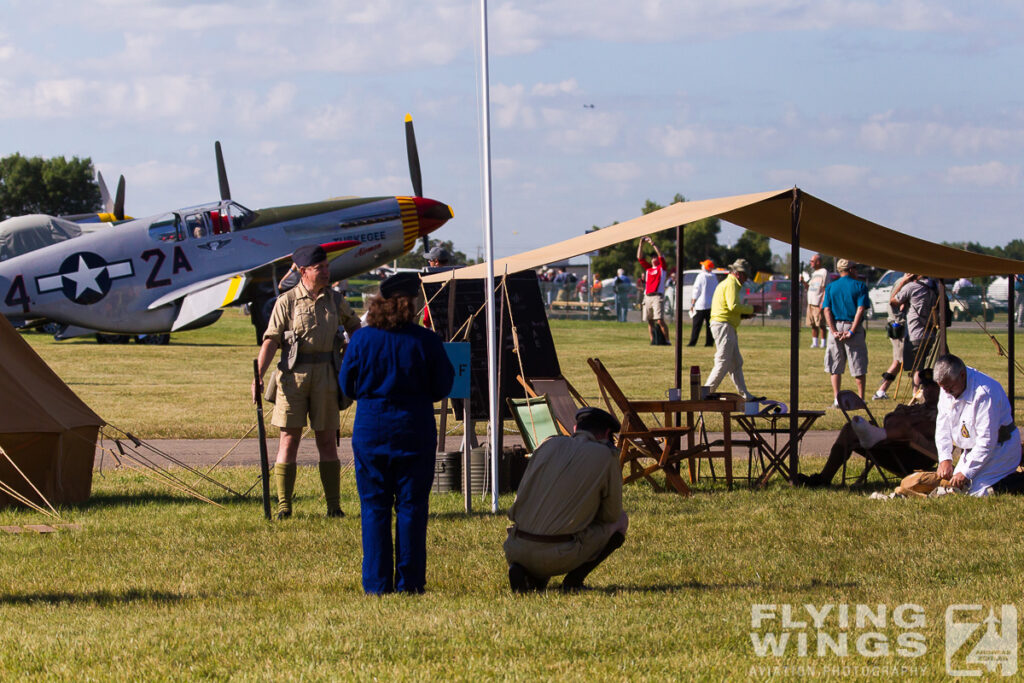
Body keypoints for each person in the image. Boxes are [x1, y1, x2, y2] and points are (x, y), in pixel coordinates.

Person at [339, 272, 455, 594]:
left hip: (371, 429)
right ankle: (410, 583)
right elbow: (443, 386)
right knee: (412, 507)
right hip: (414, 429)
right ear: (411, 304)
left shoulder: (362, 339)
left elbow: (346, 385)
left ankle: (376, 584)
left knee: (374, 507)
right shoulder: (426, 340)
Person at [253, 244, 362, 519]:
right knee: (289, 439)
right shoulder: (287, 301)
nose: (326, 272)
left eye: (326, 267)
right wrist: (258, 376)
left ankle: (334, 507)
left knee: (327, 440)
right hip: (293, 377)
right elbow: (271, 340)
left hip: (327, 375)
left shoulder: (336, 300)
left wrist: (349, 354)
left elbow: (356, 329)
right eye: (319, 268)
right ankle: (284, 506)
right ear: (303, 272)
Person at [503, 407, 628, 593]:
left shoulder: (547, 445)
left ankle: (528, 575)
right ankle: (573, 581)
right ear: (608, 434)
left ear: (575, 427)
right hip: (558, 554)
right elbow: (611, 515)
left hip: (515, 547)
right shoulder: (605, 456)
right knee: (621, 521)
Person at [799, 378, 941, 487]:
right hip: (895, 447)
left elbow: (928, 429)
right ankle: (824, 478)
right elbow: (889, 420)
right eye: (925, 386)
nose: (928, 390)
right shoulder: (916, 408)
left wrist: (908, 420)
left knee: (904, 426)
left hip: (918, 455)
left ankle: (875, 434)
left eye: (933, 386)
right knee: (850, 429)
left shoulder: (943, 412)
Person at [933, 354, 1023, 496]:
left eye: (949, 388)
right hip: (972, 449)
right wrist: (945, 458)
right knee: (955, 490)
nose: (946, 392)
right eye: (943, 388)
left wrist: (967, 472)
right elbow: (942, 424)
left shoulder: (984, 393)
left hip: (1000, 449)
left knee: (979, 493)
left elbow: (987, 441)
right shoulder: (947, 385)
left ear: (962, 375)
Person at [703, 258, 758, 401]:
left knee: (736, 363)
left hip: (725, 324)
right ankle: (705, 393)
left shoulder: (728, 283)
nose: (746, 279)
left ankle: (745, 395)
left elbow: (729, 308)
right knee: (723, 361)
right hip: (723, 325)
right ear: (738, 273)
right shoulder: (731, 284)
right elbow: (733, 305)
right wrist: (751, 309)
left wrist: (743, 315)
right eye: (745, 275)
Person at [822, 259, 870, 405]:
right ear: (850, 269)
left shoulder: (831, 287)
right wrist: (852, 331)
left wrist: (834, 330)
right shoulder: (860, 286)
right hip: (852, 326)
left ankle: (837, 399)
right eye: (855, 268)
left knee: (835, 366)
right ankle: (861, 399)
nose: (857, 271)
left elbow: (826, 309)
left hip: (835, 326)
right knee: (858, 365)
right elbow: (860, 309)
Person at [891, 273, 939, 389]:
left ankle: (916, 393)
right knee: (928, 367)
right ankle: (926, 392)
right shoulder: (935, 286)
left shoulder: (911, 287)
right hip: (931, 333)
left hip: (915, 333)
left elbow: (893, 301)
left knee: (917, 368)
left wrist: (903, 282)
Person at [636, 236, 671, 345]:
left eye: (655, 257)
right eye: (652, 258)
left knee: (659, 320)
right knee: (650, 321)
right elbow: (640, 258)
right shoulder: (648, 269)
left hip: (657, 296)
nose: (653, 259)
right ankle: (653, 340)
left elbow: (661, 256)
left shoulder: (661, 268)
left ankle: (667, 340)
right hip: (648, 296)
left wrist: (653, 243)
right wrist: (641, 244)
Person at [688, 259, 717, 347]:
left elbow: (696, 290)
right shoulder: (714, 276)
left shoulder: (701, 276)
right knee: (710, 326)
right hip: (711, 304)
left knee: (696, 326)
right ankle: (709, 343)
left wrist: (693, 302)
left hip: (701, 305)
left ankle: (693, 342)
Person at [804, 254, 829, 349]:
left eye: (812, 261)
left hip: (818, 302)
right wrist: (803, 282)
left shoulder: (824, 272)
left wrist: (823, 301)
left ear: (818, 262)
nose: (810, 263)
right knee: (813, 324)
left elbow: (825, 288)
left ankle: (823, 343)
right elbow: (809, 287)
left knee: (821, 324)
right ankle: (815, 343)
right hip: (810, 302)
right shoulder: (814, 273)